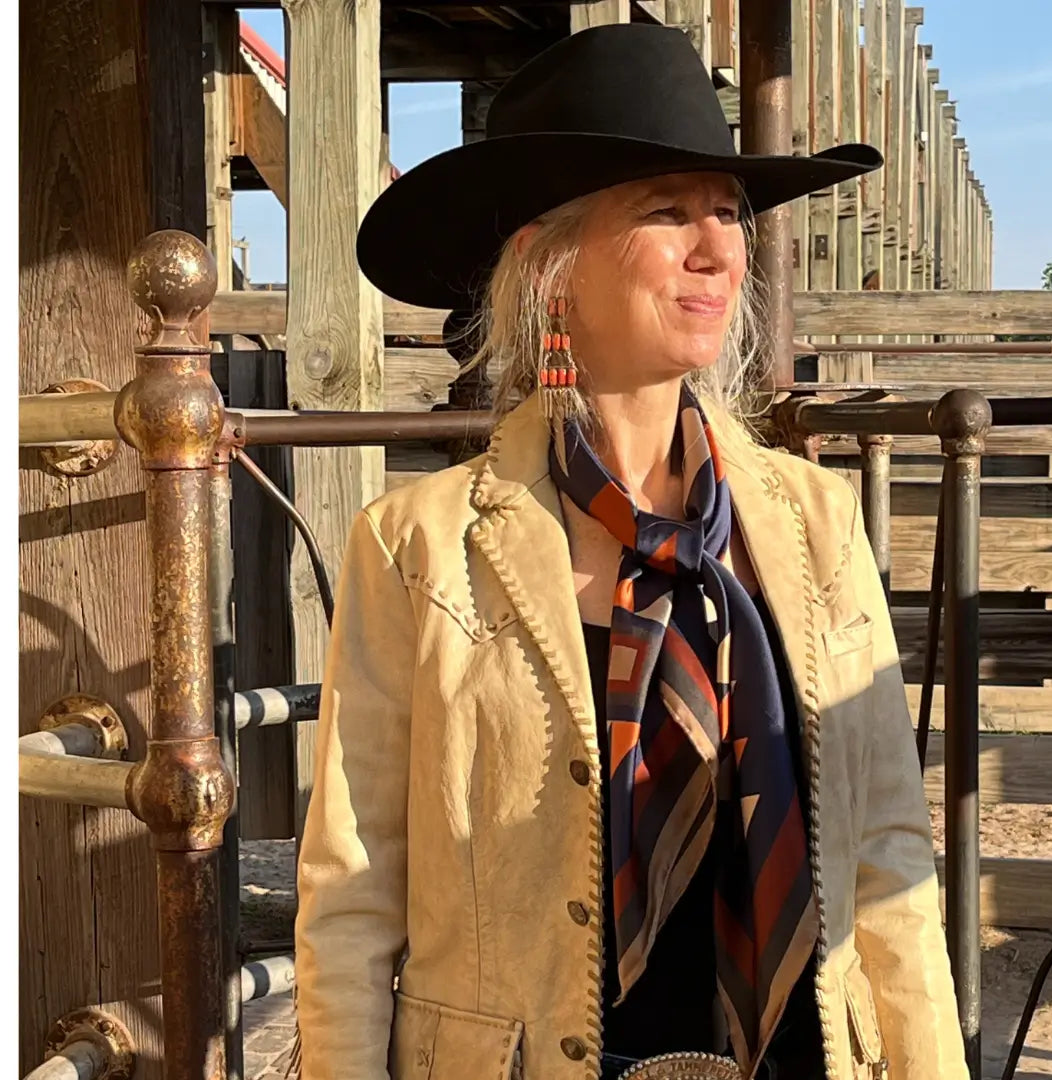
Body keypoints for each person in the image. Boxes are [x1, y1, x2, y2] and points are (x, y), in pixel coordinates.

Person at [293, 23, 967, 1080]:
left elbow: (887, 852)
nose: (716, 247)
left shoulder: (814, 525)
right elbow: (352, 893)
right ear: (548, 265)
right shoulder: (417, 548)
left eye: (727, 212)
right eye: (666, 211)